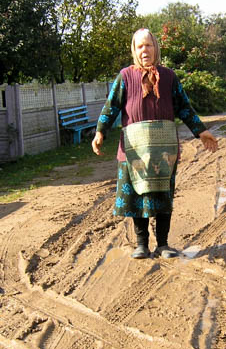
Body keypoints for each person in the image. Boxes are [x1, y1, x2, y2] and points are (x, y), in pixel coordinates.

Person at [92, 28, 218, 259]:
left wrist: (201, 131)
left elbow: (183, 107)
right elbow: (111, 107)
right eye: (140, 46)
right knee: (137, 195)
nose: (144, 50)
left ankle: (163, 244)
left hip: (164, 148)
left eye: (148, 45)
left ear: (156, 48)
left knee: (163, 194)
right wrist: (101, 131)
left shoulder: (168, 76)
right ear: (134, 50)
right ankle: (141, 244)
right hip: (133, 149)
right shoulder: (125, 76)